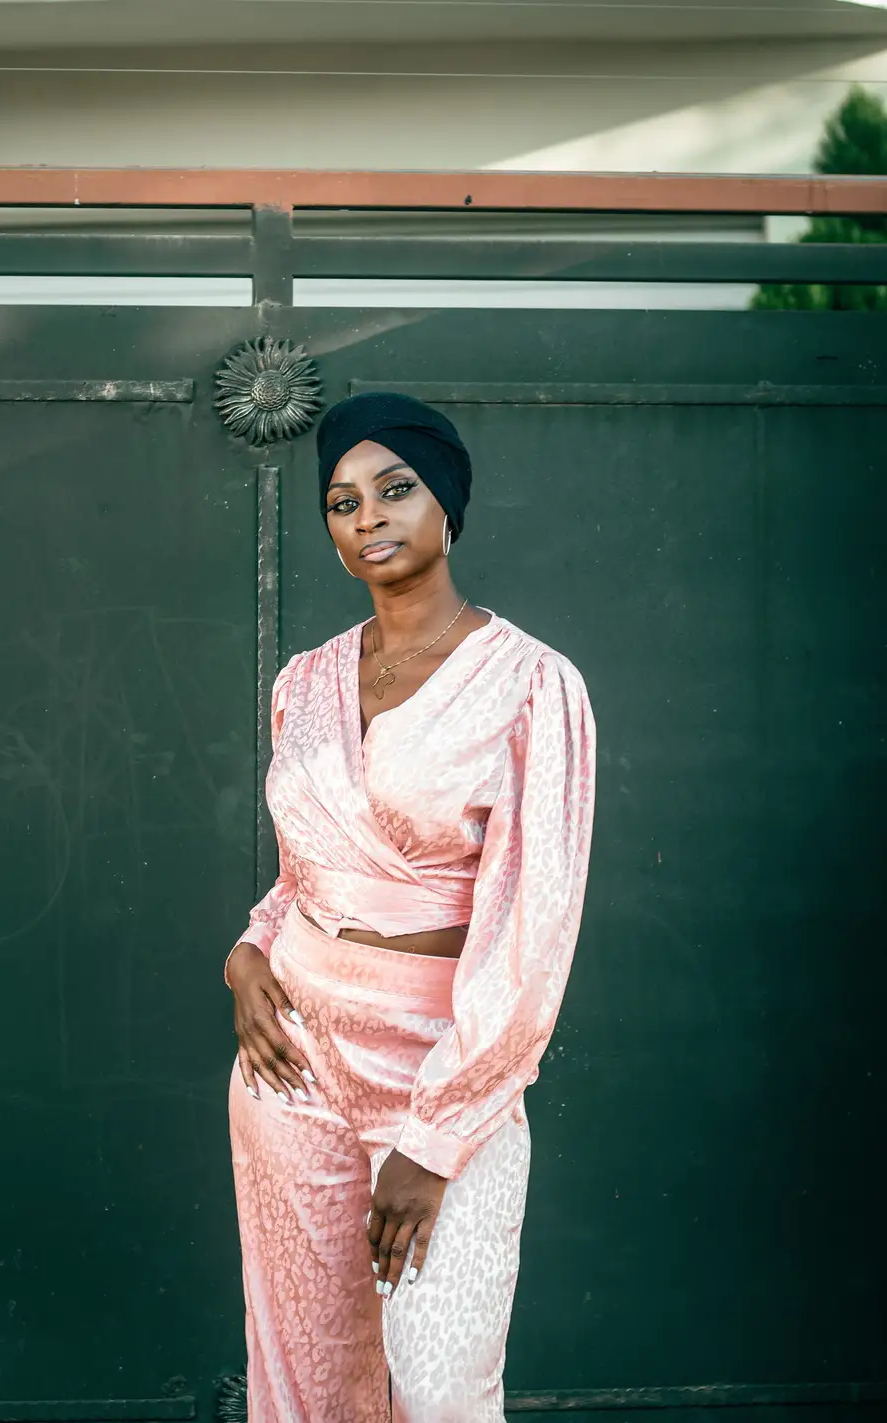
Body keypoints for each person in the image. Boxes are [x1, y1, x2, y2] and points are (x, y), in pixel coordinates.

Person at [225, 392, 596, 1423]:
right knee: (304, 1377)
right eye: (341, 501)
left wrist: (433, 1143)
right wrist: (247, 955)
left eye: (395, 489)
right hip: (290, 1063)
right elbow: (303, 873)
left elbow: (534, 928)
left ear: (447, 506)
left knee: (440, 1389)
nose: (366, 517)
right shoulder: (304, 683)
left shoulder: (530, 687)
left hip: (444, 1072)